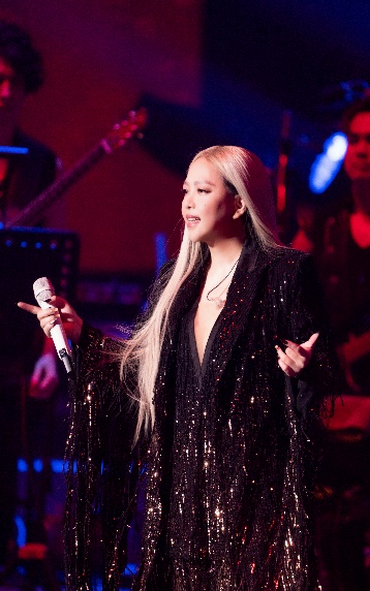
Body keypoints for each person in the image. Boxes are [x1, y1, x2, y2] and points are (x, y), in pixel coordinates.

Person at [19, 145, 339, 590]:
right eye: (186, 190)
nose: (187, 202)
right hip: (181, 500)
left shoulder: (285, 273)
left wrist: (303, 370)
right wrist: (82, 335)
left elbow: (322, 372)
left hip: (253, 497)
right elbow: (142, 379)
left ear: (239, 202)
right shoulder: (177, 281)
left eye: (202, 191)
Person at [292, 90, 370, 590]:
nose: (359, 150)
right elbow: (284, 292)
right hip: (334, 393)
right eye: (353, 139)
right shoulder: (326, 223)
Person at [0, 18, 63, 574]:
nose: (3, 92)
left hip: (15, 338)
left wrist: (49, 349)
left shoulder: (41, 163)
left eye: (13, 81)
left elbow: (52, 266)